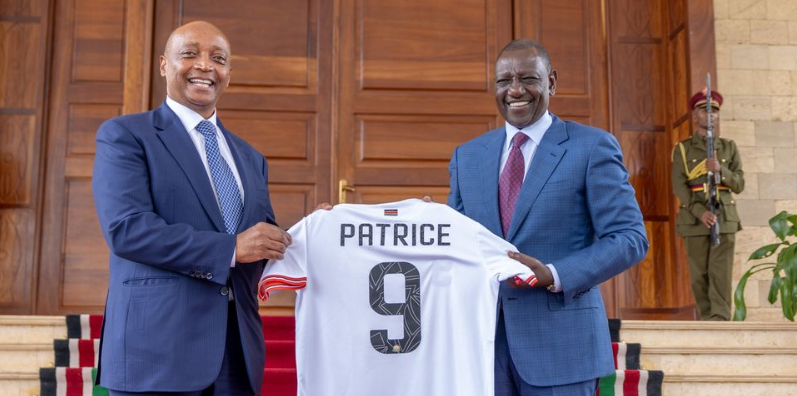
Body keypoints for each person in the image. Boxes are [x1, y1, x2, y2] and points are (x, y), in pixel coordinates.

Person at [92, 21, 292, 396]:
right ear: (165, 64)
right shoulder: (126, 135)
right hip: (156, 352)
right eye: (189, 54)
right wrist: (230, 249)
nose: (204, 65)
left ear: (228, 75)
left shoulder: (251, 158)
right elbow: (128, 229)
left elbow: (259, 243)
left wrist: (322, 229)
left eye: (218, 59)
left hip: (236, 354)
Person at [447, 39, 649, 396]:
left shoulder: (591, 147)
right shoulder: (467, 157)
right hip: (482, 351)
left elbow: (629, 238)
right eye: (504, 81)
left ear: (551, 82)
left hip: (563, 351)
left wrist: (555, 274)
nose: (515, 90)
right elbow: (457, 245)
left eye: (528, 78)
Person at [671, 89, 744, 321]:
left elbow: (740, 184)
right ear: (695, 116)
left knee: (720, 273)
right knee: (699, 274)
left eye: (714, 111)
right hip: (695, 218)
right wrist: (700, 212)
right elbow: (679, 186)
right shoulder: (683, 149)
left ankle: (720, 320)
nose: (710, 115)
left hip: (724, 215)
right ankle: (706, 320)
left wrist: (721, 170)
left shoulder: (729, 147)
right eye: (704, 110)